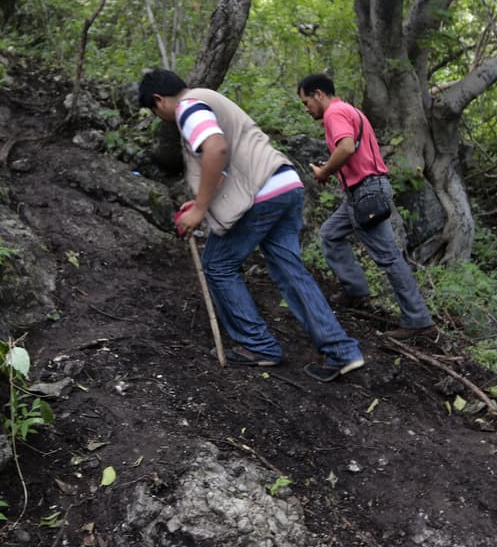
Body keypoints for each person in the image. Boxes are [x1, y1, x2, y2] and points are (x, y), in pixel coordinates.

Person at [137, 69, 365, 383]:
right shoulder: (208, 99)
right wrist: (201, 201)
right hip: (284, 184)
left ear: (159, 100)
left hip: (261, 194)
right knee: (290, 270)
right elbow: (227, 164)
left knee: (218, 264)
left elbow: (216, 149)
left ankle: (258, 345)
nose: (158, 116)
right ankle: (341, 351)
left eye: (154, 110)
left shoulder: (187, 108)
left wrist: (201, 208)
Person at [296, 73, 437, 341]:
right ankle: (355, 290)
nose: (307, 109)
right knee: (330, 234)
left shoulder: (334, 113)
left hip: (366, 192)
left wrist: (325, 171)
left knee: (388, 257)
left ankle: (418, 320)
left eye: (306, 102)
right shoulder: (349, 110)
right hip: (363, 192)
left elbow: (346, 147)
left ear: (319, 94)